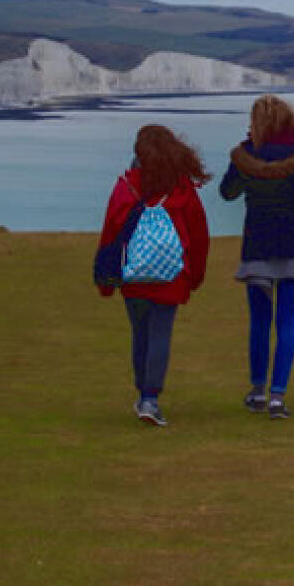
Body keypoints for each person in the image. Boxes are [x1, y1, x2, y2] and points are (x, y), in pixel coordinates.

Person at [219, 94, 294, 421]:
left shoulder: (246, 155)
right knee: (287, 323)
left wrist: (248, 173)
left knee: (259, 322)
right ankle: (277, 397)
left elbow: (227, 193)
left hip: (257, 245)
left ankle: (257, 390)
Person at [97, 124, 212, 427]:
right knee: (160, 333)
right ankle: (150, 397)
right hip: (171, 275)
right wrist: (196, 275)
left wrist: (106, 280)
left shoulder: (126, 186)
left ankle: (143, 393)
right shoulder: (182, 188)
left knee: (141, 333)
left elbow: (110, 231)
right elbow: (199, 235)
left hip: (133, 275)